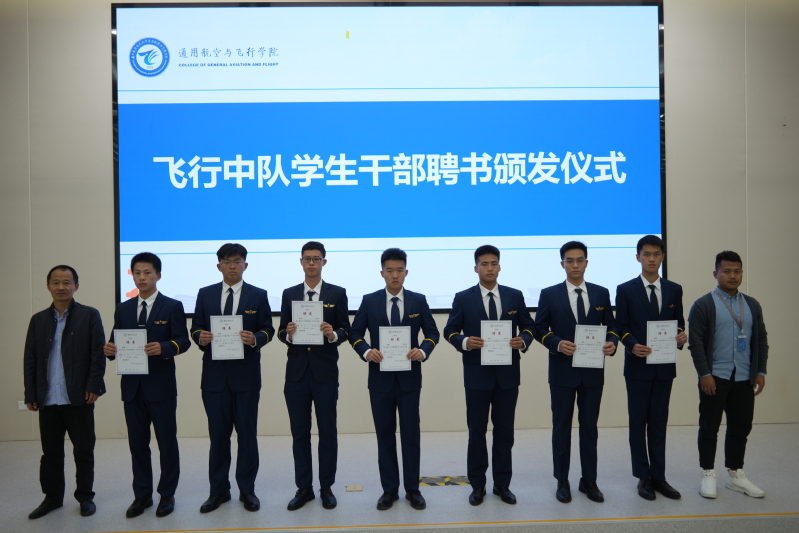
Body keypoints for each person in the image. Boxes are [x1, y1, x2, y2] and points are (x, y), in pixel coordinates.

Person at [349, 248, 439, 511]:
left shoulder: (418, 301)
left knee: (411, 436)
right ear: (382, 273)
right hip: (380, 381)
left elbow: (432, 333)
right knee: (385, 436)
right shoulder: (369, 301)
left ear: (406, 272)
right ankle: (389, 490)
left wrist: (423, 350)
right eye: (390, 271)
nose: (395, 275)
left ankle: (413, 489)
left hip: (409, 379)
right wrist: (367, 351)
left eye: (399, 270)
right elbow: (355, 333)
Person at [443, 245, 534, 506]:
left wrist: (523, 340)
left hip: (507, 376)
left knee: (505, 432)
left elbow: (529, 327)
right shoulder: (463, 298)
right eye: (484, 264)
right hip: (477, 376)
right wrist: (464, 341)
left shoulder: (514, 296)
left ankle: (502, 484)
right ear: (476, 268)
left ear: (500, 266)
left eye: (494, 263)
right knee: (477, 432)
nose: (490, 268)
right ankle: (478, 485)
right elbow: (450, 330)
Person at [103, 252, 190, 518]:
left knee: (166, 443)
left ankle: (167, 494)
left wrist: (164, 347)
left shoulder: (172, 306)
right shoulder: (124, 308)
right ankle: (142, 495)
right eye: (137, 273)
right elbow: (115, 342)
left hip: (161, 387)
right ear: (132, 275)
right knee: (137, 445)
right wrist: (109, 350)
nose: (142, 277)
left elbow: (183, 341)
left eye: (148, 273)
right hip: (132, 389)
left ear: (158, 275)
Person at [190, 243, 274, 513]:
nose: (232, 266)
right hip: (214, 379)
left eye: (237, 261)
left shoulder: (258, 295)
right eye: (227, 261)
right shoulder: (205, 294)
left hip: (246, 377)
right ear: (219, 266)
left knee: (247, 436)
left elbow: (268, 329)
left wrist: (255, 338)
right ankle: (218, 491)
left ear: (245, 265)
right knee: (218, 437)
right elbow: (195, 329)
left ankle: (247, 490)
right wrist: (200, 337)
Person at [534, 242, 618, 504]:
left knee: (589, 428)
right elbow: (539, 329)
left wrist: (612, 343)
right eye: (569, 260)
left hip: (592, 372)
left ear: (586, 263)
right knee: (561, 427)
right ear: (562, 264)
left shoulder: (601, 293)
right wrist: (557, 343)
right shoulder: (549, 294)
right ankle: (562, 480)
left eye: (580, 260)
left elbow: (612, 327)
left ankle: (589, 480)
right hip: (562, 371)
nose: (575, 265)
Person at [24, 265, 106, 519]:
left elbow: (98, 354)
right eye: (56, 282)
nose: (61, 287)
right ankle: (52, 498)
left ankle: (85, 497)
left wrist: (93, 385)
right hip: (48, 398)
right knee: (50, 453)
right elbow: (30, 359)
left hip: (79, 397)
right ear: (48, 286)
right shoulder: (38, 320)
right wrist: (31, 393)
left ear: (76, 286)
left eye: (67, 282)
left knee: (83, 450)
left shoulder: (89, 315)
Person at [688, 251, 768, 499]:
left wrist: (760, 371)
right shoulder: (703, 305)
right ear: (716, 274)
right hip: (715, 377)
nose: (733, 276)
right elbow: (696, 343)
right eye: (727, 271)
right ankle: (707, 473)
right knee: (709, 427)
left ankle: (735, 474)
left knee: (740, 427)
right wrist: (704, 374)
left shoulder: (752, 305)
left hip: (744, 377)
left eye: (737, 271)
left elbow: (761, 340)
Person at [277, 241, 350, 511]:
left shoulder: (337, 293)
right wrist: (288, 334)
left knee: (327, 432)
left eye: (316, 259)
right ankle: (304, 488)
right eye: (307, 258)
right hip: (296, 375)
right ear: (301, 262)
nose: (311, 263)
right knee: (300, 434)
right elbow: (280, 332)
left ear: (323, 262)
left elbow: (346, 329)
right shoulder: (289, 294)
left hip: (325, 374)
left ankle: (326, 487)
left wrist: (333, 334)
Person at [615, 235, 687, 501]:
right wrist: (632, 345)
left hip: (664, 367)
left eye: (656, 254)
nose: (652, 259)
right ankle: (642, 477)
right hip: (637, 367)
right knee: (638, 423)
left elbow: (679, 322)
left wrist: (681, 336)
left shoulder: (674, 289)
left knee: (659, 423)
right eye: (646, 254)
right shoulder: (625, 289)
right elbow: (620, 327)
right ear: (638, 257)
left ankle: (659, 476)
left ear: (663, 257)